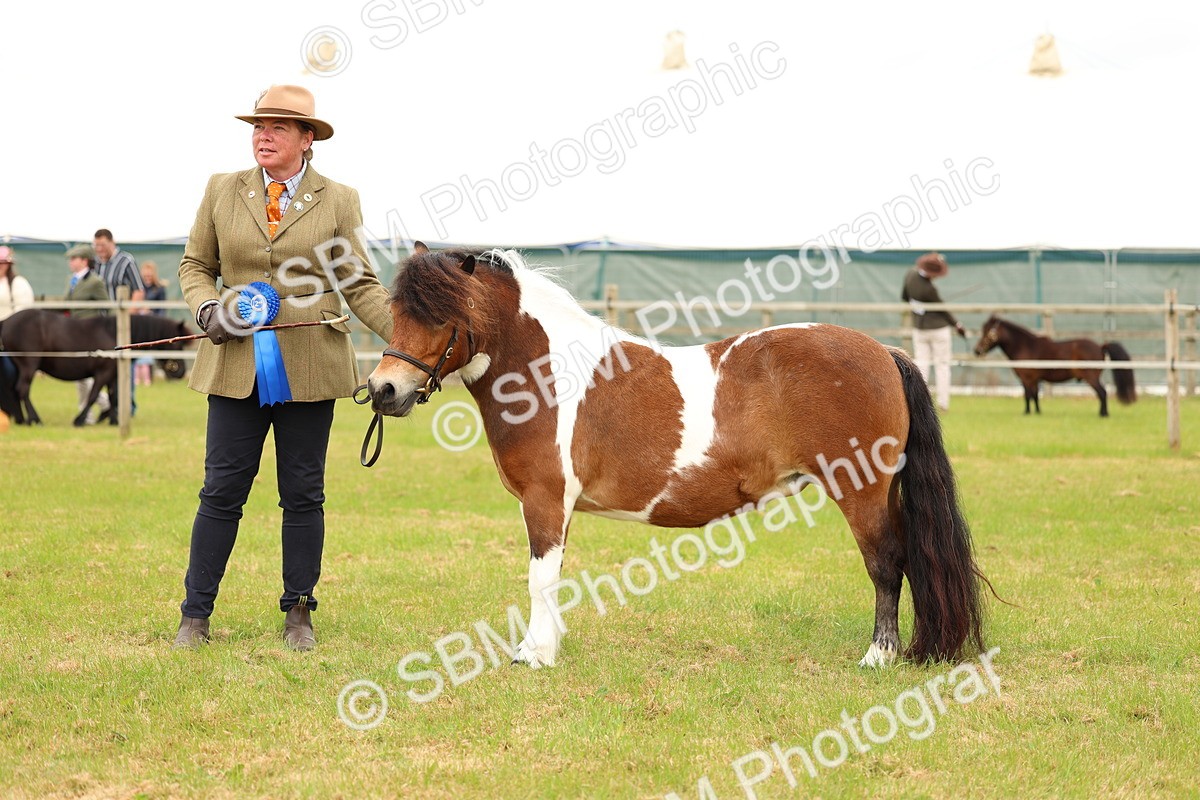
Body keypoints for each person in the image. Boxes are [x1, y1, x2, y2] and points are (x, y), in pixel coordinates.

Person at [173, 85, 394, 651]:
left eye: (277, 127)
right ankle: (195, 616)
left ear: (306, 139)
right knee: (220, 492)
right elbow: (197, 264)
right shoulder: (222, 190)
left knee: (302, 494)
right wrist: (207, 307)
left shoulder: (339, 199)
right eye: (258, 126)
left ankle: (299, 611)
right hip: (233, 365)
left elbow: (359, 283)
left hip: (311, 366)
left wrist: (410, 343)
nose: (263, 135)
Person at [901, 252, 965, 411]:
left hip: (919, 329)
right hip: (938, 330)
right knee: (942, 365)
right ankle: (943, 404)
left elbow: (904, 297)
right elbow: (942, 309)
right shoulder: (929, 289)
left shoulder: (910, 275)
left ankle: (920, 403)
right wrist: (956, 324)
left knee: (921, 365)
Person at [94, 229, 144, 414]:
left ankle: (127, 407)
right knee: (104, 364)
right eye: (96, 246)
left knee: (125, 363)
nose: (99, 249)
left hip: (121, 323)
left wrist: (127, 316)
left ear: (111, 242)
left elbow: (138, 290)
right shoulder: (96, 264)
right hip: (102, 324)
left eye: (102, 245)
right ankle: (109, 406)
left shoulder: (126, 261)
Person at [64, 244, 112, 421]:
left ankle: (89, 412)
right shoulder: (72, 280)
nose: (71, 262)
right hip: (73, 332)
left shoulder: (95, 282)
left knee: (83, 375)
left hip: (90, 333)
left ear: (84, 260)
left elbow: (107, 306)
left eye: (74, 258)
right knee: (79, 375)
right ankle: (102, 404)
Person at [135, 261, 169, 385]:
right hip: (139, 324)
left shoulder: (159, 289)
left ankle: (149, 377)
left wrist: (150, 312)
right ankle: (137, 378)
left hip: (152, 325)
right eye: (145, 276)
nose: (147, 278)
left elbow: (162, 311)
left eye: (149, 275)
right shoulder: (138, 289)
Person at [0, 246, 35, 320]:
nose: (0, 265)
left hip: (10, 328)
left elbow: (23, 311)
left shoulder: (18, 283)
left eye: (3, 263)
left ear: (9, 265)